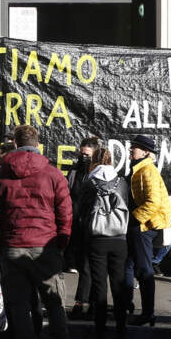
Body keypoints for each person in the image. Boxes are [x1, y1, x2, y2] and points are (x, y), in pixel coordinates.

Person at [0, 124, 74, 339]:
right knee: (54, 303)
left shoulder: (1, 174)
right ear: (38, 144)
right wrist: (61, 243)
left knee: (19, 307)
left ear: (15, 143)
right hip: (45, 246)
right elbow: (65, 213)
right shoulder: (53, 174)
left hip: (13, 247)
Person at [79, 147, 132, 339]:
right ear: (111, 161)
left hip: (97, 238)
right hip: (119, 239)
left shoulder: (89, 182)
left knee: (99, 286)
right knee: (119, 286)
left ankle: (100, 333)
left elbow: (81, 210)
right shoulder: (122, 182)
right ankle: (121, 333)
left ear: (94, 161)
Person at [126, 134, 171, 326]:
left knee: (144, 269)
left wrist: (135, 218)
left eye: (134, 147)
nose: (131, 150)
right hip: (139, 225)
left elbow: (153, 202)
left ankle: (148, 313)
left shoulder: (147, 171)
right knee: (128, 265)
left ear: (145, 152)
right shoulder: (139, 168)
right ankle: (126, 304)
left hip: (144, 226)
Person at [67, 136, 102, 319]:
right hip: (76, 224)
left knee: (89, 266)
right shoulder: (75, 171)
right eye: (82, 154)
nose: (83, 157)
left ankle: (84, 303)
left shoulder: (99, 174)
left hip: (92, 226)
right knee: (83, 265)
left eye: (87, 154)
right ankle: (88, 302)